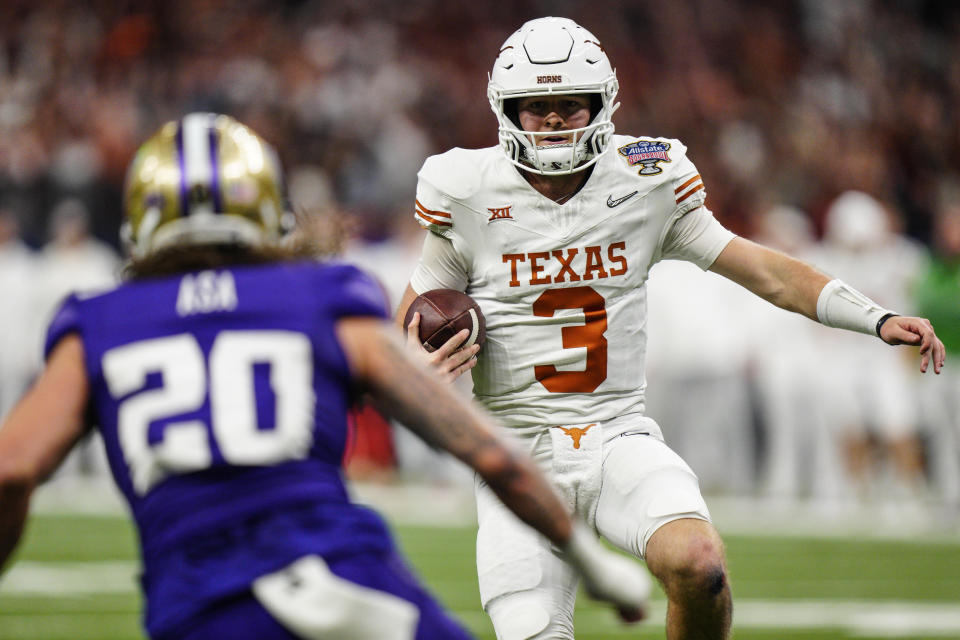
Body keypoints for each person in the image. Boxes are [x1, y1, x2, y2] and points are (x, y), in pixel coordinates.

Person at [0, 113, 651, 640]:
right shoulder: (318, 294)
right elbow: (489, 451)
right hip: (351, 592)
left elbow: (11, 469)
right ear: (268, 211)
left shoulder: (101, 321)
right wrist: (595, 566)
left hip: (200, 611)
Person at [396, 17, 945, 640]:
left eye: (569, 105)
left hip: (616, 433)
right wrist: (413, 366)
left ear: (602, 105)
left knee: (699, 563)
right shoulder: (465, 190)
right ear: (508, 110)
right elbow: (412, 317)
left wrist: (873, 316)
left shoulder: (644, 180)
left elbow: (765, 271)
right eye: (537, 106)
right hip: (516, 450)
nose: (552, 121)